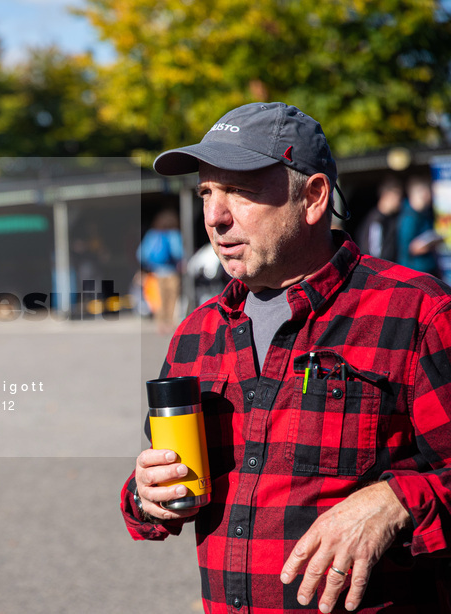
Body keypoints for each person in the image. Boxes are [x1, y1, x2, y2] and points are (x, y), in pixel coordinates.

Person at [121, 102, 451, 613]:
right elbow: (159, 490)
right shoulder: (196, 333)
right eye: (207, 192)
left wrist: (395, 502)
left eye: (240, 190)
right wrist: (146, 497)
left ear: (314, 196)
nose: (214, 216)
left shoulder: (416, 312)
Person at [138, 208, 184, 333]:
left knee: (159, 299)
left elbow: (141, 253)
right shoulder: (173, 233)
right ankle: (170, 323)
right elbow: (178, 252)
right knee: (172, 299)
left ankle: (161, 324)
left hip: (156, 272)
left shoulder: (153, 234)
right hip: (172, 271)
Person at [397, 175, 441, 277]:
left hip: (429, 269)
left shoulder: (426, 213)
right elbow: (410, 248)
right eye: (428, 192)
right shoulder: (409, 218)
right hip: (415, 273)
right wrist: (429, 245)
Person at [354, 175, 402, 261]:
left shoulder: (392, 217)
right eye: (397, 197)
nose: (399, 202)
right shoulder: (376, 220)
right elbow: (374, 252)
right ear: (386, 196)